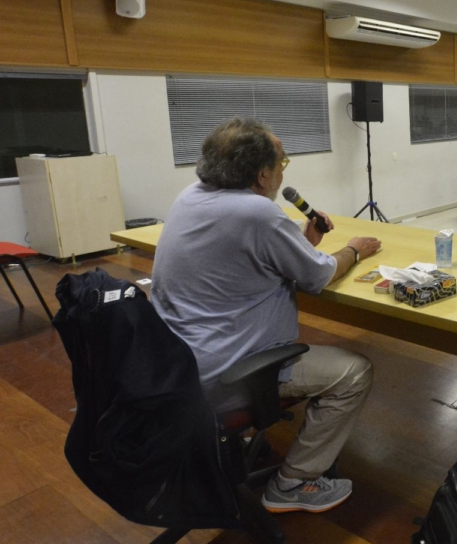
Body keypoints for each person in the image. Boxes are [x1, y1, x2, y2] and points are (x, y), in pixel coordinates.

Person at [152, 118, 380, 513]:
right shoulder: (258, 214)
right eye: (281, 163)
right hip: (227, 371)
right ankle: (294, 482)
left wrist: (301, 243)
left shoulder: (189, 195)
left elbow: (241, 257)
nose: (281, 170)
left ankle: (232, 442)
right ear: (262, 175)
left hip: (176, 364)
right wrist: (354, 250)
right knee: (354, 372)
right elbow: (319, 275)